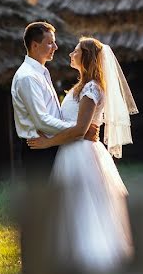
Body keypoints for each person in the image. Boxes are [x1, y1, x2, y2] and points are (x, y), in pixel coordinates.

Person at [27, 36, 137, 272]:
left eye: (75, 51)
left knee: (85, 203)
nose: (70, 54)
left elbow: (80, 129)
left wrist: (47, 143)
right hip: (70, 153)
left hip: (83, 154)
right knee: (69, 204)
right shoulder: (78, 87)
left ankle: (92, 258)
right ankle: (69, 256)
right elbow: (68, 123)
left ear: (86, 57)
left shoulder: (92, 88)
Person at [10, 22, 98, 180]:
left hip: (52, 145)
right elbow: (41, 120)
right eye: (50, 43)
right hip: (38, 149)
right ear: (35, 46)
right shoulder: (28, 77)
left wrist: (78, 130)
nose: (56, 47)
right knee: (41, 201)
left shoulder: (41, 72)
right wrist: (80, 129)